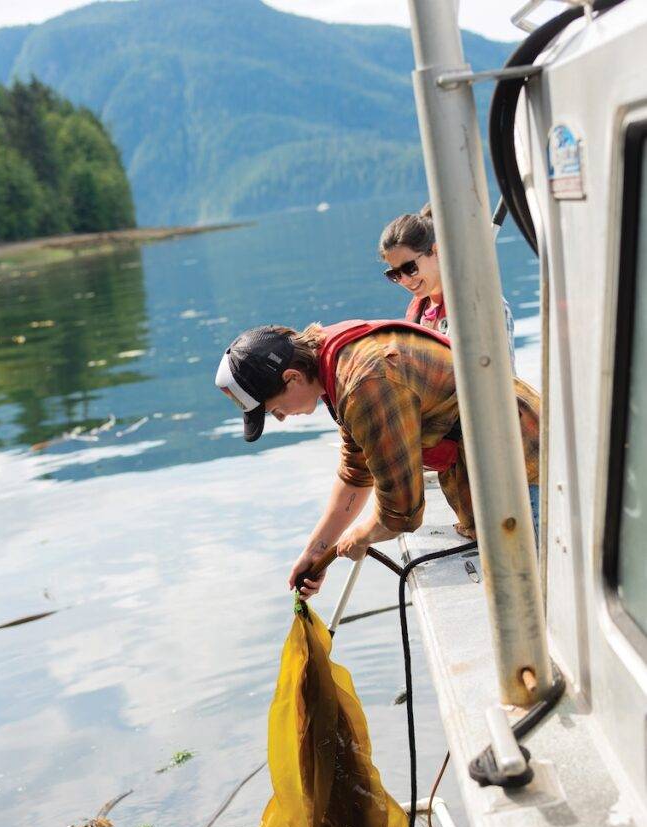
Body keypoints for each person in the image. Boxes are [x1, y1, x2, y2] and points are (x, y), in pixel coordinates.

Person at [215, 318, 540, 597]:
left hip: (521, 465)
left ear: (292, 378)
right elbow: (357, 473)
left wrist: (363, 535)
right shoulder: (332, 360)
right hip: (497, 460)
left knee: (544, 595)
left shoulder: (363, 383)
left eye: (274, 410)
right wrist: (317, 551)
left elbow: (402, 512)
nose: (282, 418)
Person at [379, 205, 517, 372]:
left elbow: (503, 379)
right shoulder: (419, 312)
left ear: (436, 251)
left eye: (410, 268)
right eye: (395, 274)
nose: (405, 280)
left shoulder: (483, 304)